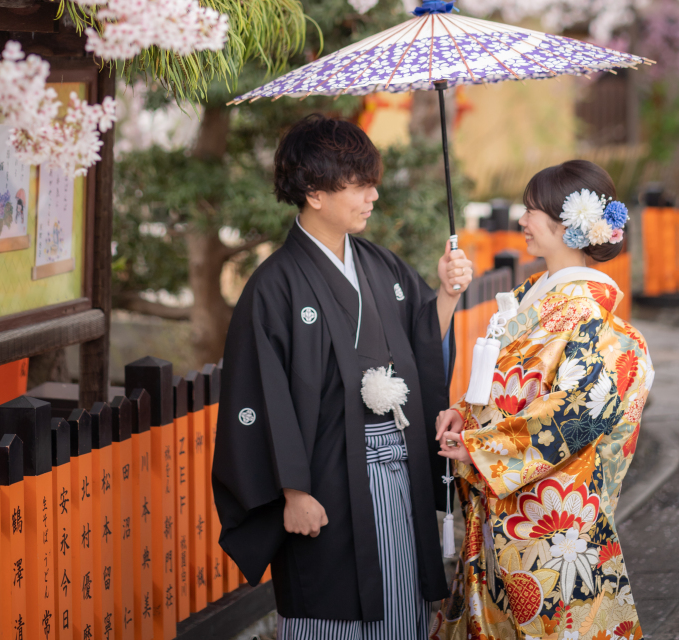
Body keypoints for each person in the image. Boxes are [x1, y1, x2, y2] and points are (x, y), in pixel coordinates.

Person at [212, 113, 474, 640]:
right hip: (325, 483)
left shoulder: (379, 265)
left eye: (371, 182)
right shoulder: (274, 287)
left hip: (395, 472)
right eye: (358, 184)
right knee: (328, 607)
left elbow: (421, 339)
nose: (372, 195)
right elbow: (261, 397)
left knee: (400, 602)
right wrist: (292, 493)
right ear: (314, 192)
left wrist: (445, 295)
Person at [431, 159, 653, 640]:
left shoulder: (588, 312)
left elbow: (578, 412)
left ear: (566, 225)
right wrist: (465, 414)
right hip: (506, 502)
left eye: (532, 210)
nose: (522, 220)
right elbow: (506, 386)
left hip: (550, 517)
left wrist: (485, 447)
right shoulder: (535, 295)